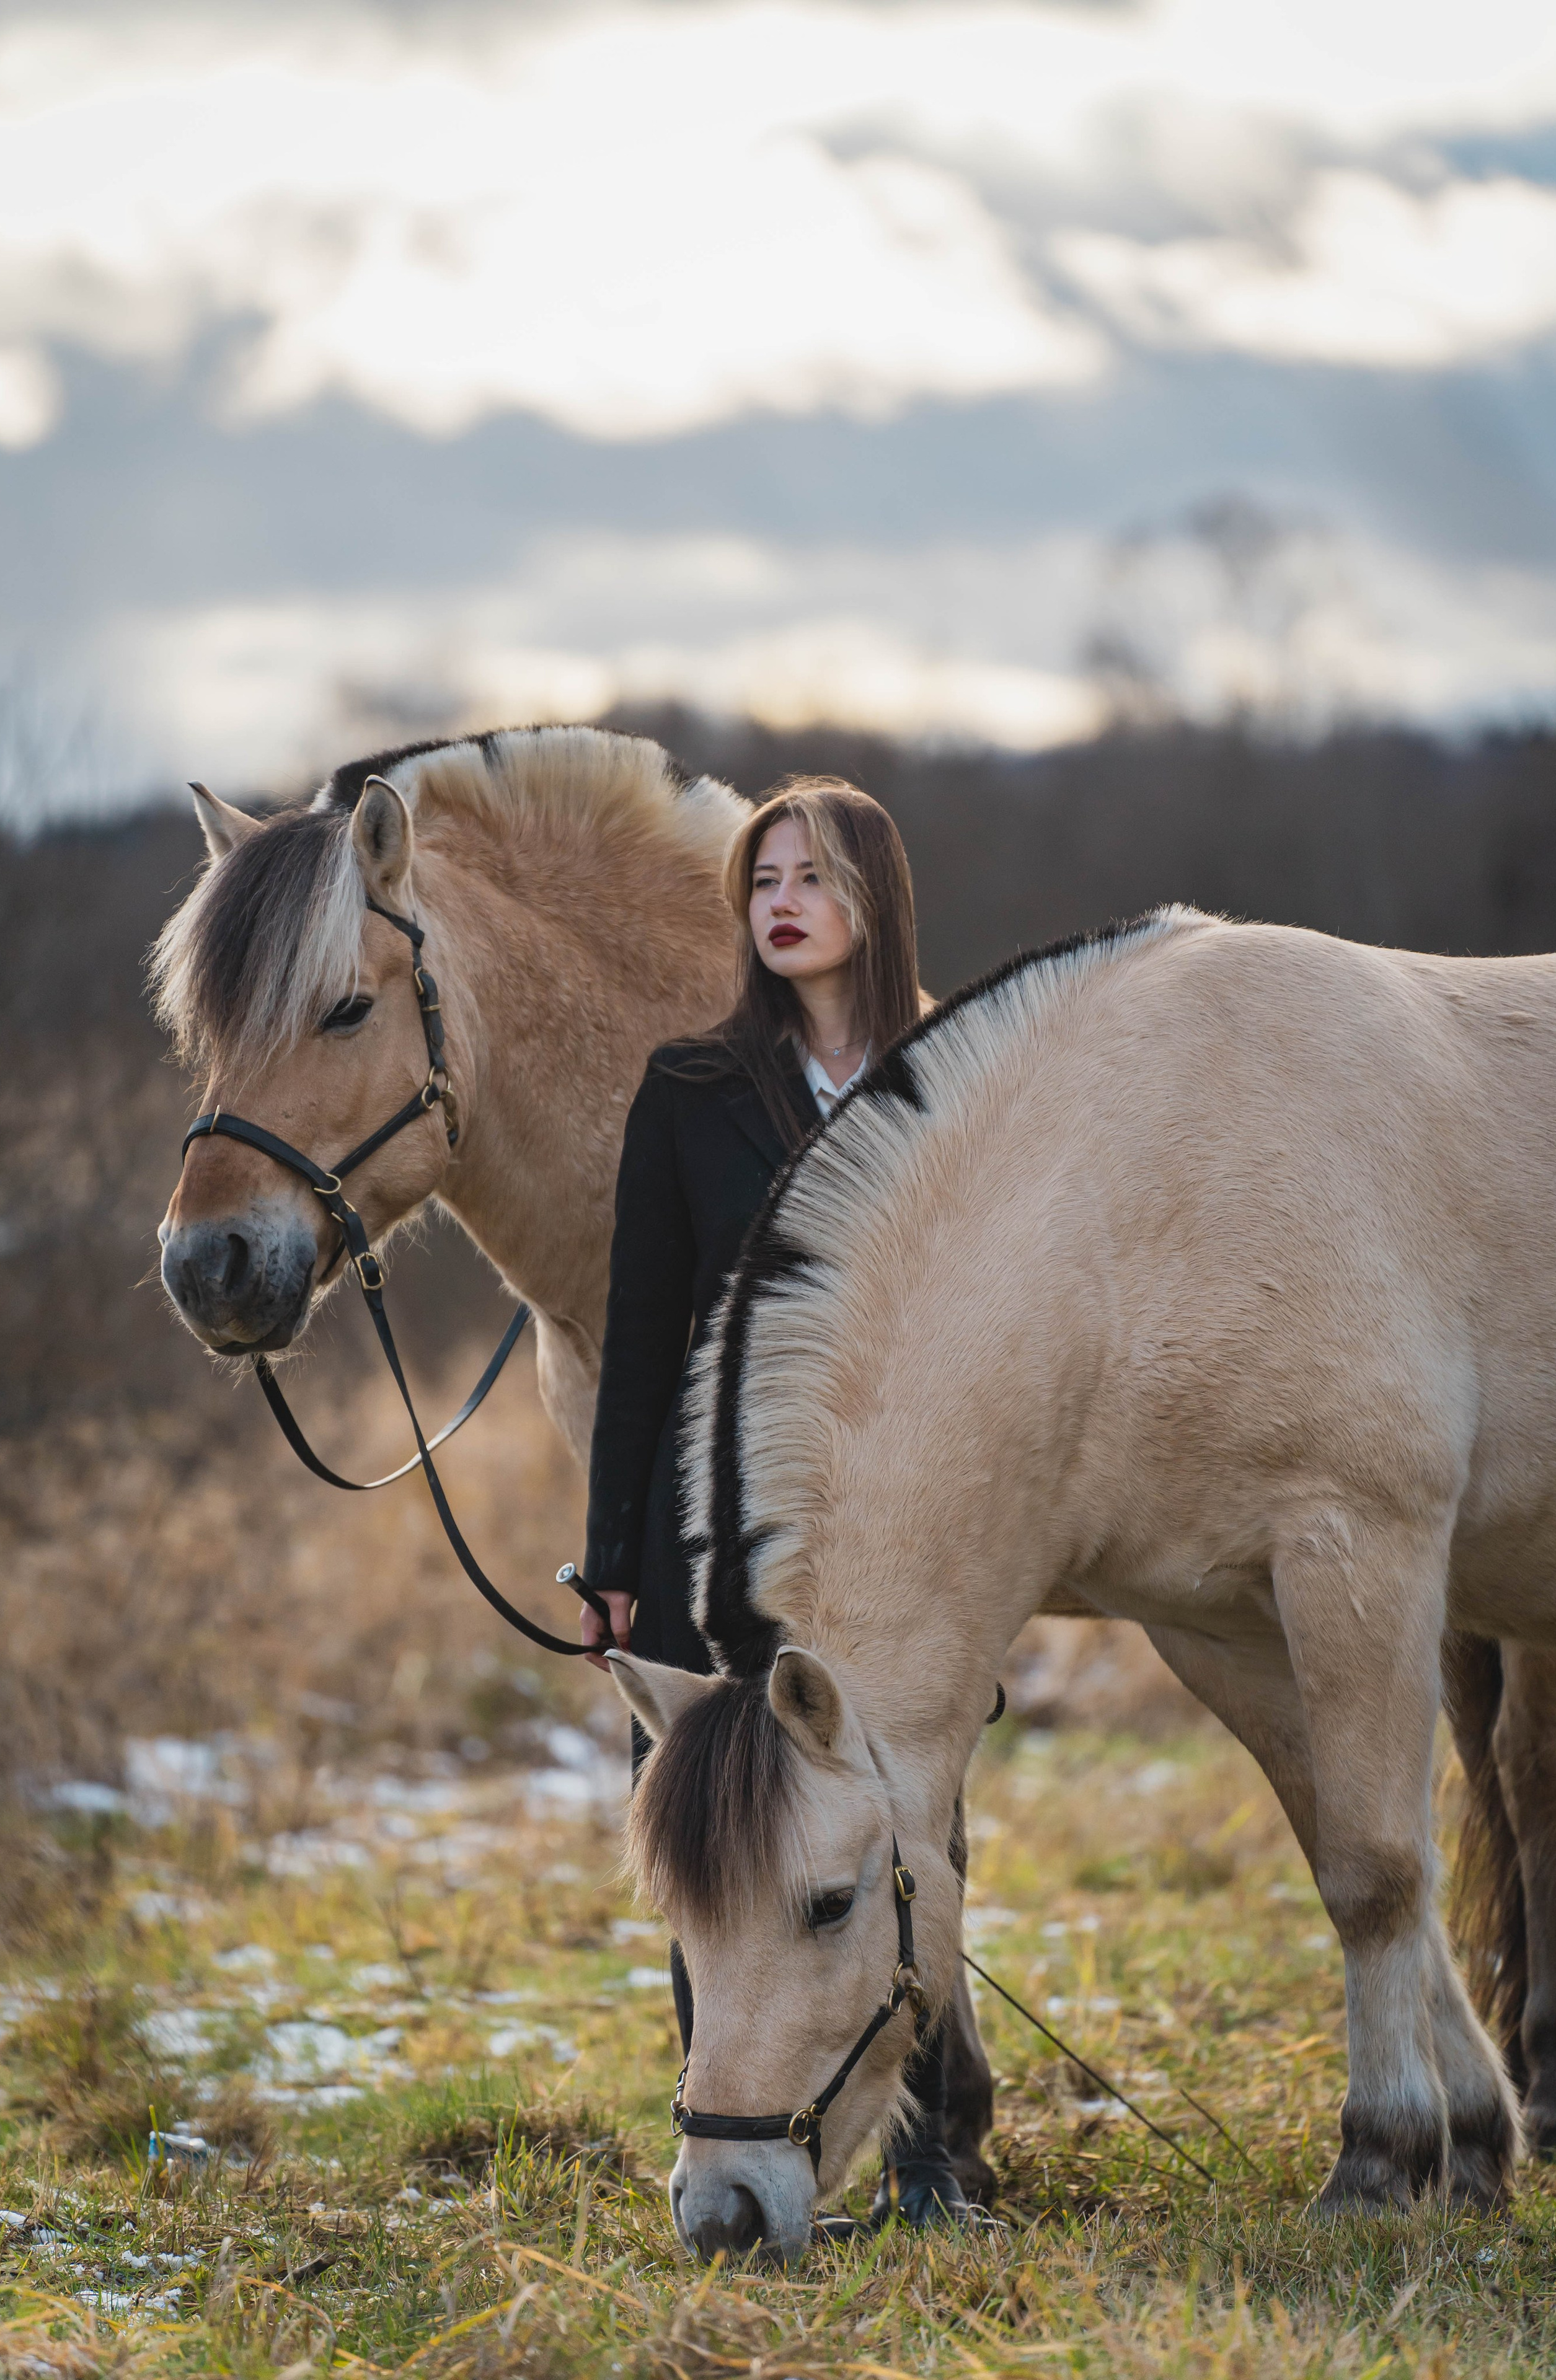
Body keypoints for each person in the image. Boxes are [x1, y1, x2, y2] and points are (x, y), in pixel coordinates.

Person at [580, 776, 975, 2231]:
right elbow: (639, 1337)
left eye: (815, 876)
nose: (785, 902)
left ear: (875, 899)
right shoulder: (687, 1090)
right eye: (762, 882)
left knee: (913, 1821)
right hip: (723, 1528)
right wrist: (612, 1559)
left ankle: (938, 2146)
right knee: (739, 1842)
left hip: (910, 1522)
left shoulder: (955, 1073)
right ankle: (741, 2147)